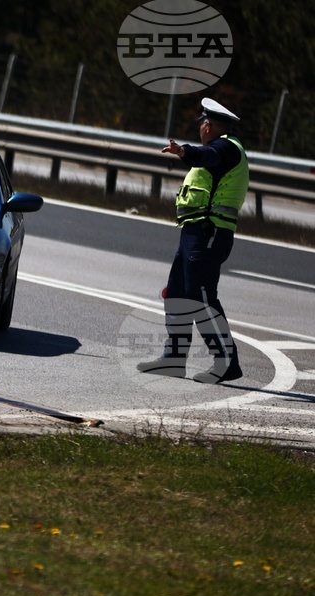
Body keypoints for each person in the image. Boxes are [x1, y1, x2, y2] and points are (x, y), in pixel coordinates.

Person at [137, 97, 249, 384]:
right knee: (175, 293)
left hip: (209, 233)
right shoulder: (220, 148)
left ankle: (226, 362)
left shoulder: (225, 148)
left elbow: (206, 156)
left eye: (202, 124)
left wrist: (184, 151)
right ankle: (174, 359)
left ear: (208, 125)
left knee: (201, 298)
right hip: (194, 232)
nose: (201, 128)